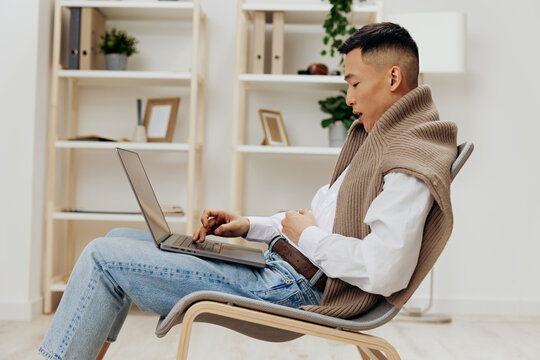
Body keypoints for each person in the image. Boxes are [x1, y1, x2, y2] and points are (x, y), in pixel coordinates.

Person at [39, 22, 457, 360]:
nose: (347, 98)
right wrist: (248, 226)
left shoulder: (408, 157)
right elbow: (316, 222)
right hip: (285, 267)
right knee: (114, 241)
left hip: (291, 287)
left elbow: (386, 269)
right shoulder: (377, 139)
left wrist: (305, 235)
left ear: (393, 78)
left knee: (101, 256)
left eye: (352, 83)